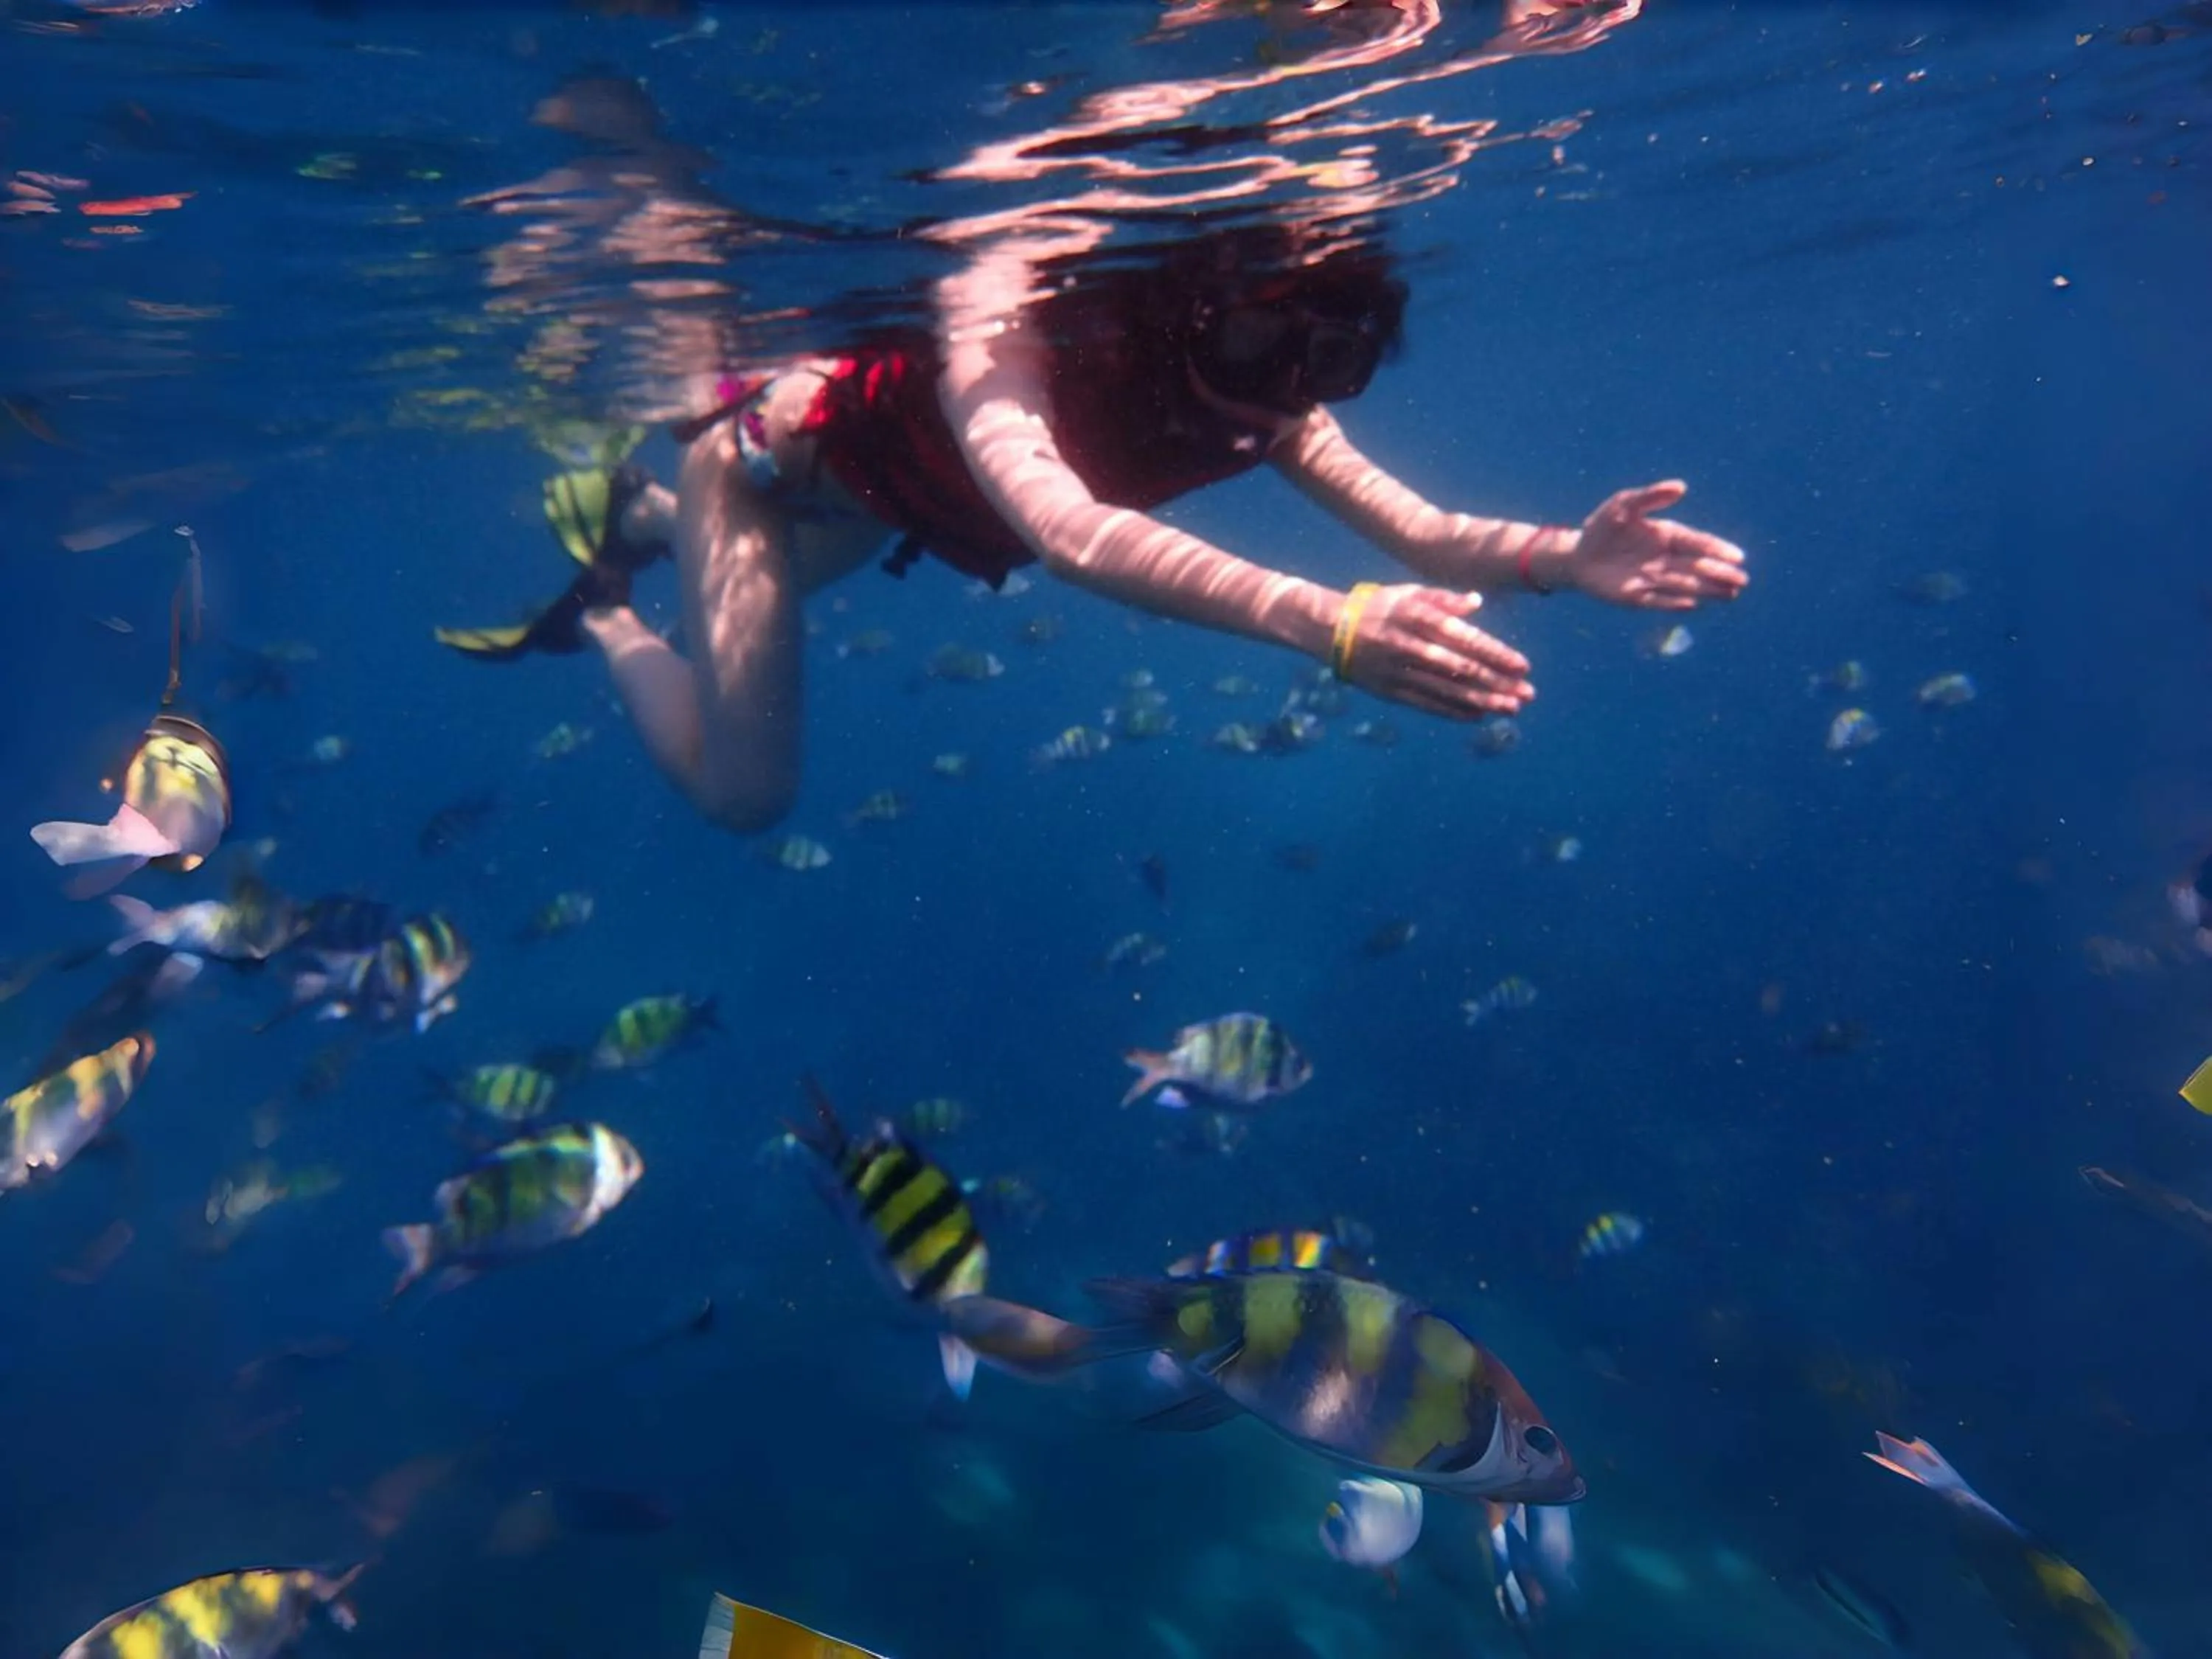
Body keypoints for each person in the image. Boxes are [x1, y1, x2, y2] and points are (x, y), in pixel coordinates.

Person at [442, 2, 1743, 835]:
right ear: (1194, 304)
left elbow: (1427, 531)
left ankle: (630, 524)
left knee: (731, 559)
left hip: (886, 505)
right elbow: (1066, 529)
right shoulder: (1008, 316)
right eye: (1264, 337)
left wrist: (1566, 558)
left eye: (1333, 359)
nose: (1290, 381)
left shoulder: (1265, 404)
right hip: (770, 464)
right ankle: (612, 603)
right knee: (747, 794)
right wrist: (1321, 620)